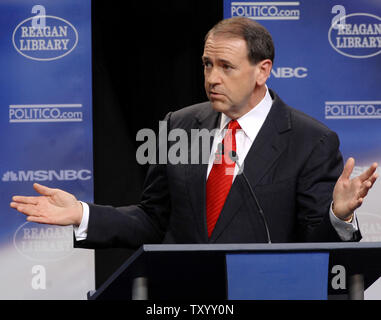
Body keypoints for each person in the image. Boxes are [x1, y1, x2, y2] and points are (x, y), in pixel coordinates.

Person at [10, 17, 378, 247]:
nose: (212, 78)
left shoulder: (309, 141)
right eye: (207, 64)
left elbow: (316, 248)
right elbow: (154, 220)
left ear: (262, 71)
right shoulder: (178, 125)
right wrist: (83, 215)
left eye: (226, 67)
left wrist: (338, 215)